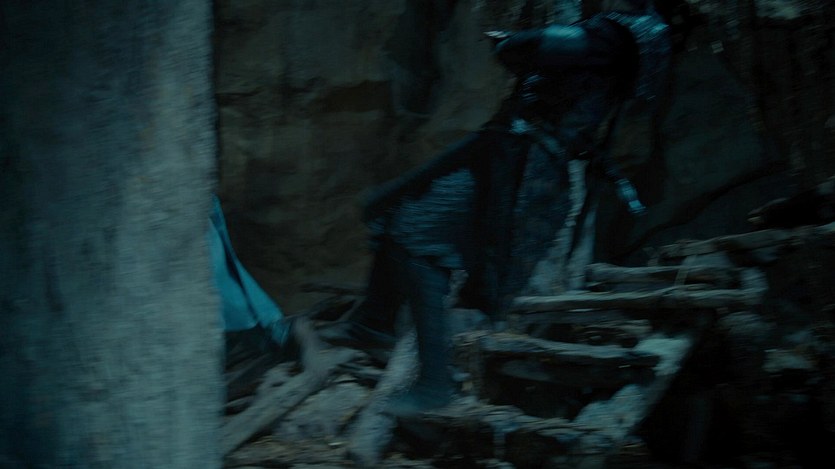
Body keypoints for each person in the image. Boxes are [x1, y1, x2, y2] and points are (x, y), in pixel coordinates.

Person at [320, 0, 671, 416]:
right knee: (392, 206)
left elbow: (543, 46)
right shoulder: (619, 35)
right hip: (506, 147)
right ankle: (372, 324)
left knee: (417, 233)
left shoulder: (618, 35)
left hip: (526, 160)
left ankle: (435, 384)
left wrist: (509, 43)